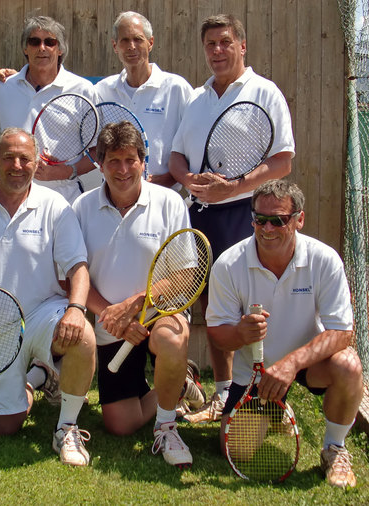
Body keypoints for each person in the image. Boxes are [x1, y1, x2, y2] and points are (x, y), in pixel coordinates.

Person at [0, 127, 96, 466]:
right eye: (8, 157)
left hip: (43, 314)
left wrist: (76, 309)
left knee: (82, 335)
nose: (16, 165)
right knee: (5, 428)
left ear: (37, 164)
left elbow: (78, 268)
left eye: (25, 158)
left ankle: (66, 427)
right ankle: (38, 376)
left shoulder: (55, 206)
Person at [168, 14, 295, 423]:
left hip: (247, 216)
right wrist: (189, 180)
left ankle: (267, 395)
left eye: (225, 42)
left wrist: (234, 187)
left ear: (242, 46)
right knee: (213, 308)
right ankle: (224, 396)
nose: (218, 51)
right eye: (211, 45)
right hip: (200, 216)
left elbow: (282, 161)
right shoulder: (196, 98)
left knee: (255, 308)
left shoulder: (265, 93)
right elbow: (176, 156)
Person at [206, 179, 363, 488]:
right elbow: (217, 335)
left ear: (299, 219)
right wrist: (240, 332)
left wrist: (291, 364)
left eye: (279, 220)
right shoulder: (228, 264)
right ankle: (274, 412)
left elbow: (342, 332)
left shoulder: (324, 259)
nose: (267, 228)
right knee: (235, 450)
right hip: (254, 374)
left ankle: (334, 448)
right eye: (259, 219)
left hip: (308, 365)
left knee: (348, 365)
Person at [72, 121, 201, 469]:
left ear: (144, 162)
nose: (123, 169)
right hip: (111, 327)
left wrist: (136, 304)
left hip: (159, 316)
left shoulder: (170, 203)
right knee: (119, 424)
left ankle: (167, 426)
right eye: (113, 160)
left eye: (131, 159)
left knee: (173, 341)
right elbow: (76, 274)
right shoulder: (81, 209)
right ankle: (174, 386)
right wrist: (109, 314)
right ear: (100, 164)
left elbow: (186, 275)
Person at [0, 15, 98, 204]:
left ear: (60, 49)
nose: (42, 48)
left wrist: (65, 171)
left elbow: (98, 151)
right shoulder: (3, 88)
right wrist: (9, 180)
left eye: (50, 42)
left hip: (66, 202)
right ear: (26, 48)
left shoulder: (83, 90)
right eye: (34, 41)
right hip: (14, 204)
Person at [94, 11, 193, 188]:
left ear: (151, 43)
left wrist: (170, 178)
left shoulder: (177, 88)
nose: (131, 46)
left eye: (138, 39)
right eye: (124, 40)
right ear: (115, 46)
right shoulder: (102, 90)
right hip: (114, 198)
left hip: (164, 194)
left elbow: (193, 146)